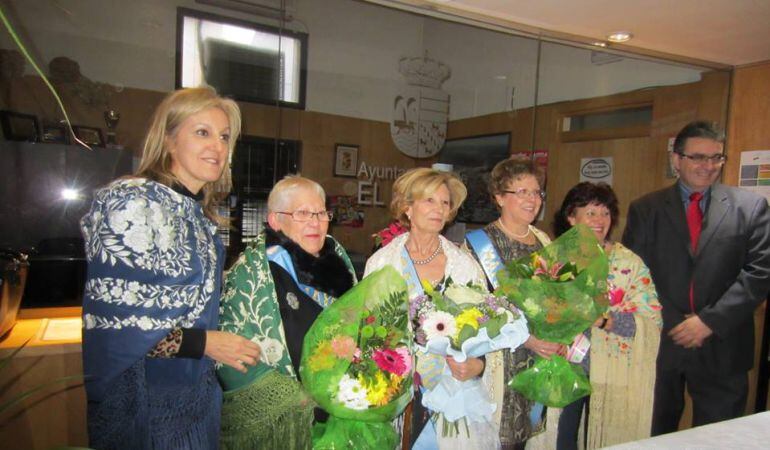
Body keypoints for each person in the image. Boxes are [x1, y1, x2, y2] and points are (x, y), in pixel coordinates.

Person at [81, 87, 261, 449]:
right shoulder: (134, 201)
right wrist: (207, 342)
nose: (218, 146)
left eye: (224, 137)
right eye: (202, 132)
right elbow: (116, 328)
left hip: (192, 395)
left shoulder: (195, 212)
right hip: (144, 400)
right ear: (168, 139)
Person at [622, 121, 770, 435]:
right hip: (662, 342)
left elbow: (760, 272)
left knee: (720, 438)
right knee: (654, 433)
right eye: (698, 157)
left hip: (723, 344)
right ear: (676, 160)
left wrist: (708, 322)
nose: (708, 166)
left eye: (716, 158)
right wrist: (676, 321)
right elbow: (634, 274)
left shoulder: (750, 207)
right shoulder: (645, 209)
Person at [217, 175, 357, 449]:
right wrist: (300, 398)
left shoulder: (338, 262)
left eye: (320, 212)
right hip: (287, 417)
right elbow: (235, 359)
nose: (315, 222)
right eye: (303, 213)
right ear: (275, 221)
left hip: (341, 411)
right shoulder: (251, 272)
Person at [364, 168, 492, 449]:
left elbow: (486, 331)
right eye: (429, 201)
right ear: (407, 207)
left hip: (453, 394)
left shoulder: (464, 266)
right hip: (398, 392)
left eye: (445, 203)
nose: (439, 209)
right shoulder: (382, 263)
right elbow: (368, 332)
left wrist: (478, 365)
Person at [552, 182, 662, 449]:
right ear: (571, 217)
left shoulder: (629, 263)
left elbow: (650, 320)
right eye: (590, 212)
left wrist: (604, 320)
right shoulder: (554, 258)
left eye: (605, 213)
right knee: (560, 439)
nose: (599, 220)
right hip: (564, 368)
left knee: (606, 439)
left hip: (612, 372)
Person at [464, 159, 565, 450]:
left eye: (536, 192)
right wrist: (528, 339)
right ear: (499, 197)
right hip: (501, 361)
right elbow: (476, 311)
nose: (531, 200)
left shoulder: (544, 239)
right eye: (521, 191)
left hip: (541, 358)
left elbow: (560, 295)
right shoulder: (477, 244)